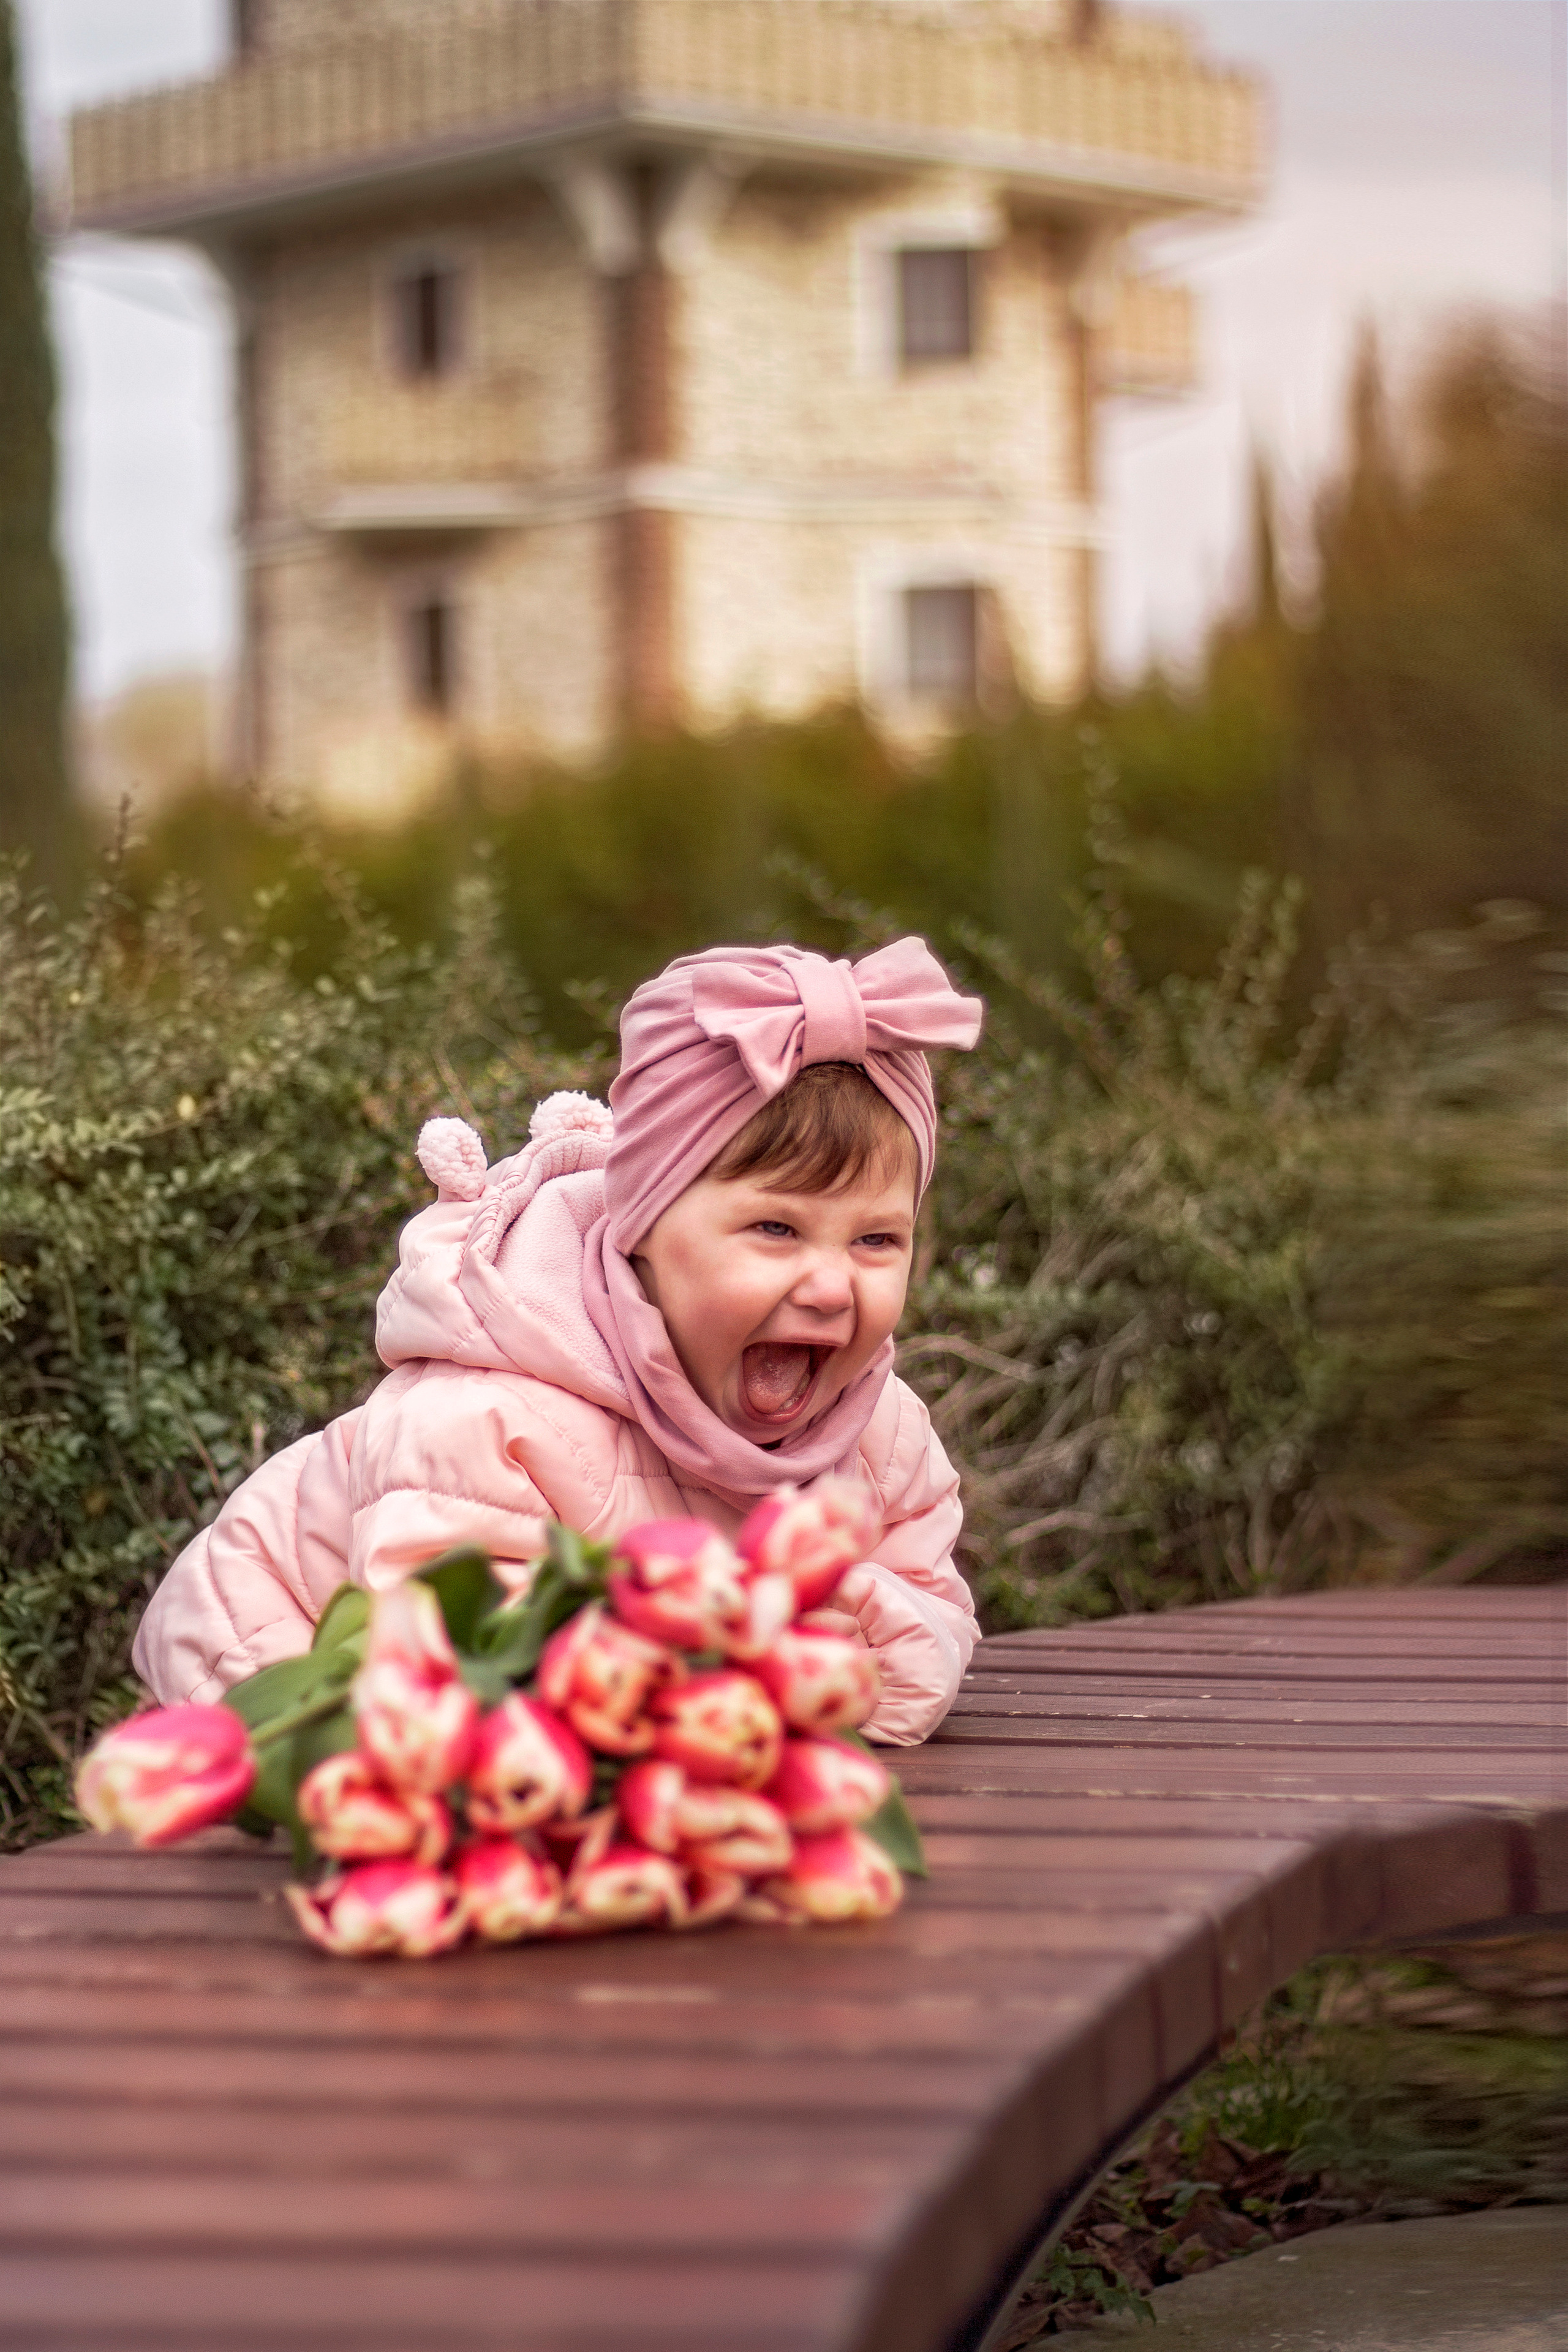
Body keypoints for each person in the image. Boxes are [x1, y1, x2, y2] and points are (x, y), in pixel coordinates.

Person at [134, 938, 984, 1744]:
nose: (833, 1286)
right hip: (274, 1686)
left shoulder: (884, 1440)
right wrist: (774, 1655)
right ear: (643, 1227)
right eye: (776, 1228)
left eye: (877, 1240)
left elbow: (932, 1625)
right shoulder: (487, 1420)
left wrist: (844, 1645)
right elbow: (469, 1678)